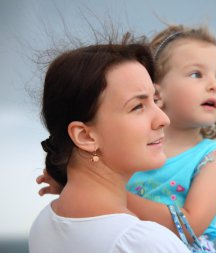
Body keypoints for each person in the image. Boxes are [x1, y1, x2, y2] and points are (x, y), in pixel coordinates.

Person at [37, 24, 216, 252]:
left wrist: (94, 194)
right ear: (160, 89)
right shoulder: (133, 154)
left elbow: (189, 227)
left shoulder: (215, 157)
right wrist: (83, 191)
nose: (214, 86)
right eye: (196, 74)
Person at [29, 32, 190, 253]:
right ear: (85, 136)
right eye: (137, 106)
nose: (164, 119)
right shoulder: (143, 244)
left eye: (154, 100)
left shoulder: (43, 224)